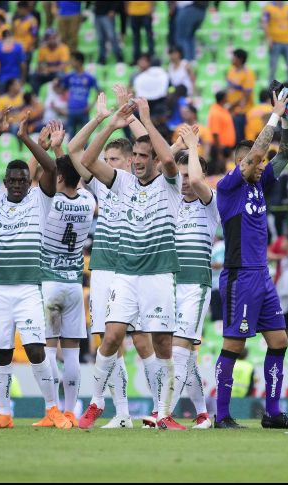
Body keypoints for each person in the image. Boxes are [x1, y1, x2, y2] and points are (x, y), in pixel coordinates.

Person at [74, 98, 185, 431]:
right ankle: (97, 402)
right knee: (110, 337)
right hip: (124, 274)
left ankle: (163, 413)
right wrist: (110, 122)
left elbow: (168, 157)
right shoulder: (119, 182)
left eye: (142, 156)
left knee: (162, 343)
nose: (137, 161)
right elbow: (87, 158)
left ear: (152, 160)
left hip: (159, 274)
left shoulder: (170, 184)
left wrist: (146, 120)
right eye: (134, 155)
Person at [0, 109, 70, 430]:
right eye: (11, 180)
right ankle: (3, 413)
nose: (16, 184)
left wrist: (26, 137)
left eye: (21, 180)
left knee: (35, 349)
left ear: (30, 182)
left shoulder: (40, 200)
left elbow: (53, 167)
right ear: (5, 181)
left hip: (28, 288)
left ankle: (52, 408)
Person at [211, 91, 288, 430]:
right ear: (242, 162)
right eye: (256, 160)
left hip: (262, 275)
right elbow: (258, 153)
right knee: (234, 345)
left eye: (263, 162)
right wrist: (274, 114)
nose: (263, 165)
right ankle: (221, 415)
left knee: (279, 340)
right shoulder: (228, 187)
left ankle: (273, 413)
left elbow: (286, 154)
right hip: (239, 276)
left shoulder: (260, 181)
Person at [29, 121, 96, 428]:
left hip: (50, 285)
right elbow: (75, 177)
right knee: (71, 356)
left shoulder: (50, 201)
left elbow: (34, 177)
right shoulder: (87, 202)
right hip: (73, 284)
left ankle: (52, 411)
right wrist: (59, 150)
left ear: (58, 178)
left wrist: (48, 146)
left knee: (48, 352)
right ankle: (70, 411)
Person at [164, 125, 220, 429]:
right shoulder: (170, 201)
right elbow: (161, 169)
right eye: (180, 176)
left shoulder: (210, 204)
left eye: (187, 176)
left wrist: (194, 146)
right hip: (170, 285)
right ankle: (201, 414)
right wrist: (176, 145)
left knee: (178, 351)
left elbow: (198, 180)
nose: (184, 182)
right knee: (184, 356)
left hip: (196, 285)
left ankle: (164, 414)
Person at [64, 52, 98, 136]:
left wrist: (90, 106)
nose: (71, 62)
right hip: (71, 110)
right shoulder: (69, 76)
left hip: (83, 111)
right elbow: (62, 90)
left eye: (73, 60)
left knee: (84, 137)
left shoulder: (89, 77)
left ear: (79, 62)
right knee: (71, 138)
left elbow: (99, 92)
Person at [262, 1, 288, 84]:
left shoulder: (287, 7)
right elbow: (265, 23)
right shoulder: (268, 8)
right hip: (275, 41)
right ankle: (270, 89)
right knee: (273, 68)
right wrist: (268, 38)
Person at [226, 49, 256, 144]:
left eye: (234, 57)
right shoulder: (231, 70)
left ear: (240, 59)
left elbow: (246, 96)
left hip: (242, 112)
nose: (232, 59)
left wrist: (235, 108)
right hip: (232, 110)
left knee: (240, 139)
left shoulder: (248, 73)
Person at [32, 29, 71, 94]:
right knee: (34, 76)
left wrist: (48, 69)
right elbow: (40, 64)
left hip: (60, 73)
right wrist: (42, 70)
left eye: (54, 37)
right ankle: (36, 97)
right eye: (49, 38)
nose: (52, 40)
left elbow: (62, 67)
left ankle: (62, 97)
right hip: (48, 73)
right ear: (46, 39)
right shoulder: (42, 49)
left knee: (61, 75)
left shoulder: (64, 48)